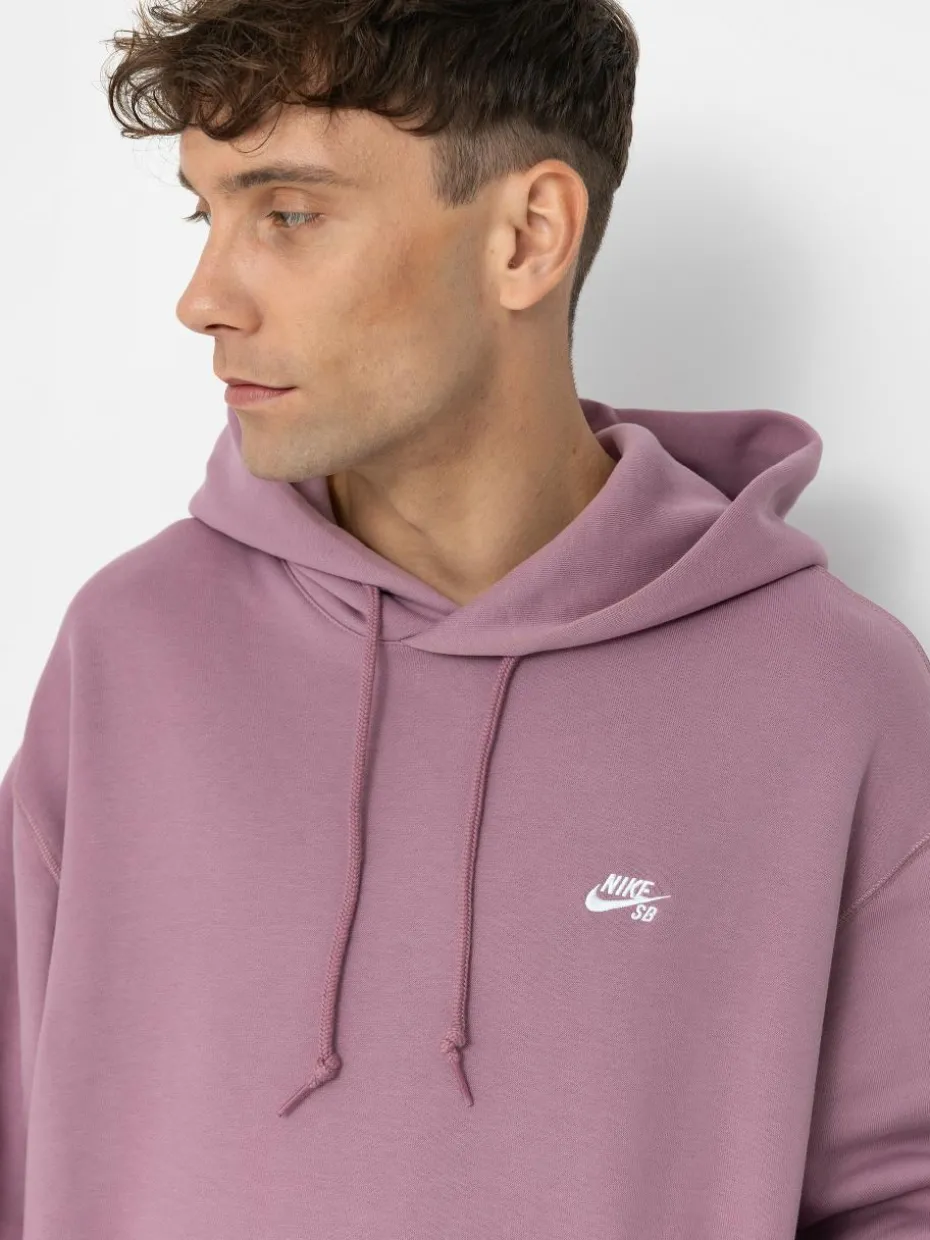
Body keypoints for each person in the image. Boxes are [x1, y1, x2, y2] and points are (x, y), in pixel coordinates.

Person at [2, 1, 928, 1236]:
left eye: (288, 213)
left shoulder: (829, 695)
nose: (204, 297)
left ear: (528, 236)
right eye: (204, 214)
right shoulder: (131, 651)